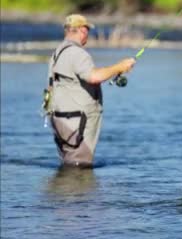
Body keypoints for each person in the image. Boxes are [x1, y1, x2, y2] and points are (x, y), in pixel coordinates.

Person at [44, 14, 136, 167]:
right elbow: (94, 77)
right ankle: (78, 192)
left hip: (60, 121)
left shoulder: (57, 52)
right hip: (76, 124)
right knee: (79, 168)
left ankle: (63, 191)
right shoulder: (77, 53)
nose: (88, 34)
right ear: (82, 30)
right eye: (87, 30)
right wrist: (120, 67)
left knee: (69, 166)